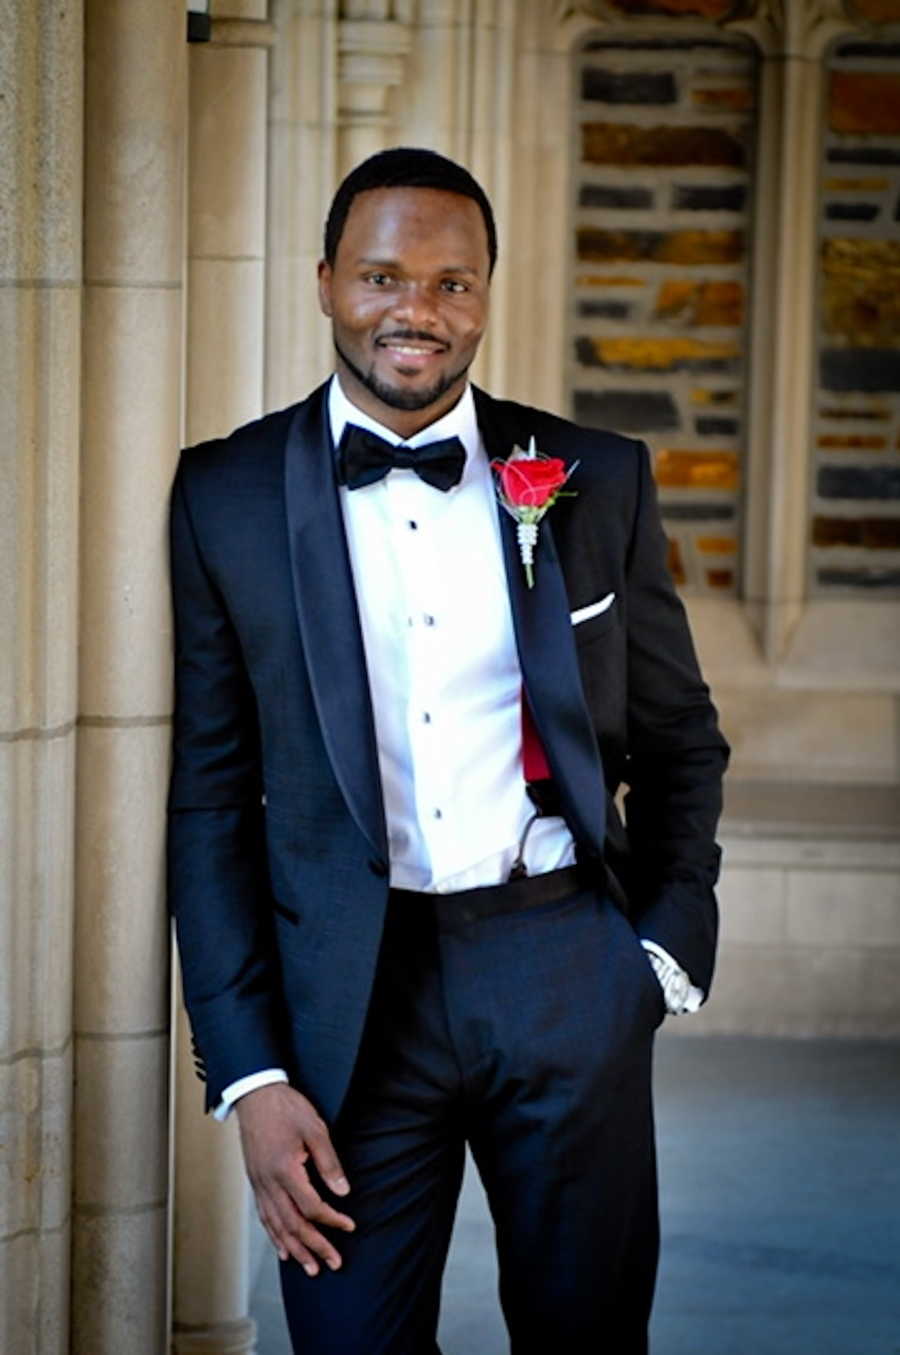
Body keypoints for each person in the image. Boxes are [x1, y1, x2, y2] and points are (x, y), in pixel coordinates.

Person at [167, 146, 729, 1354]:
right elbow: (209, 802)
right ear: (324, 283)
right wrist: (251, 1075)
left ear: (484, 293)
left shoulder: (593, 478)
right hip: (347, 1011)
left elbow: (682, 737)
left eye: (450, 283)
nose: (415, 311)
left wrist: (662, 953)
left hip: (563, 963)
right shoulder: (223, 495)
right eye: (381, 277)